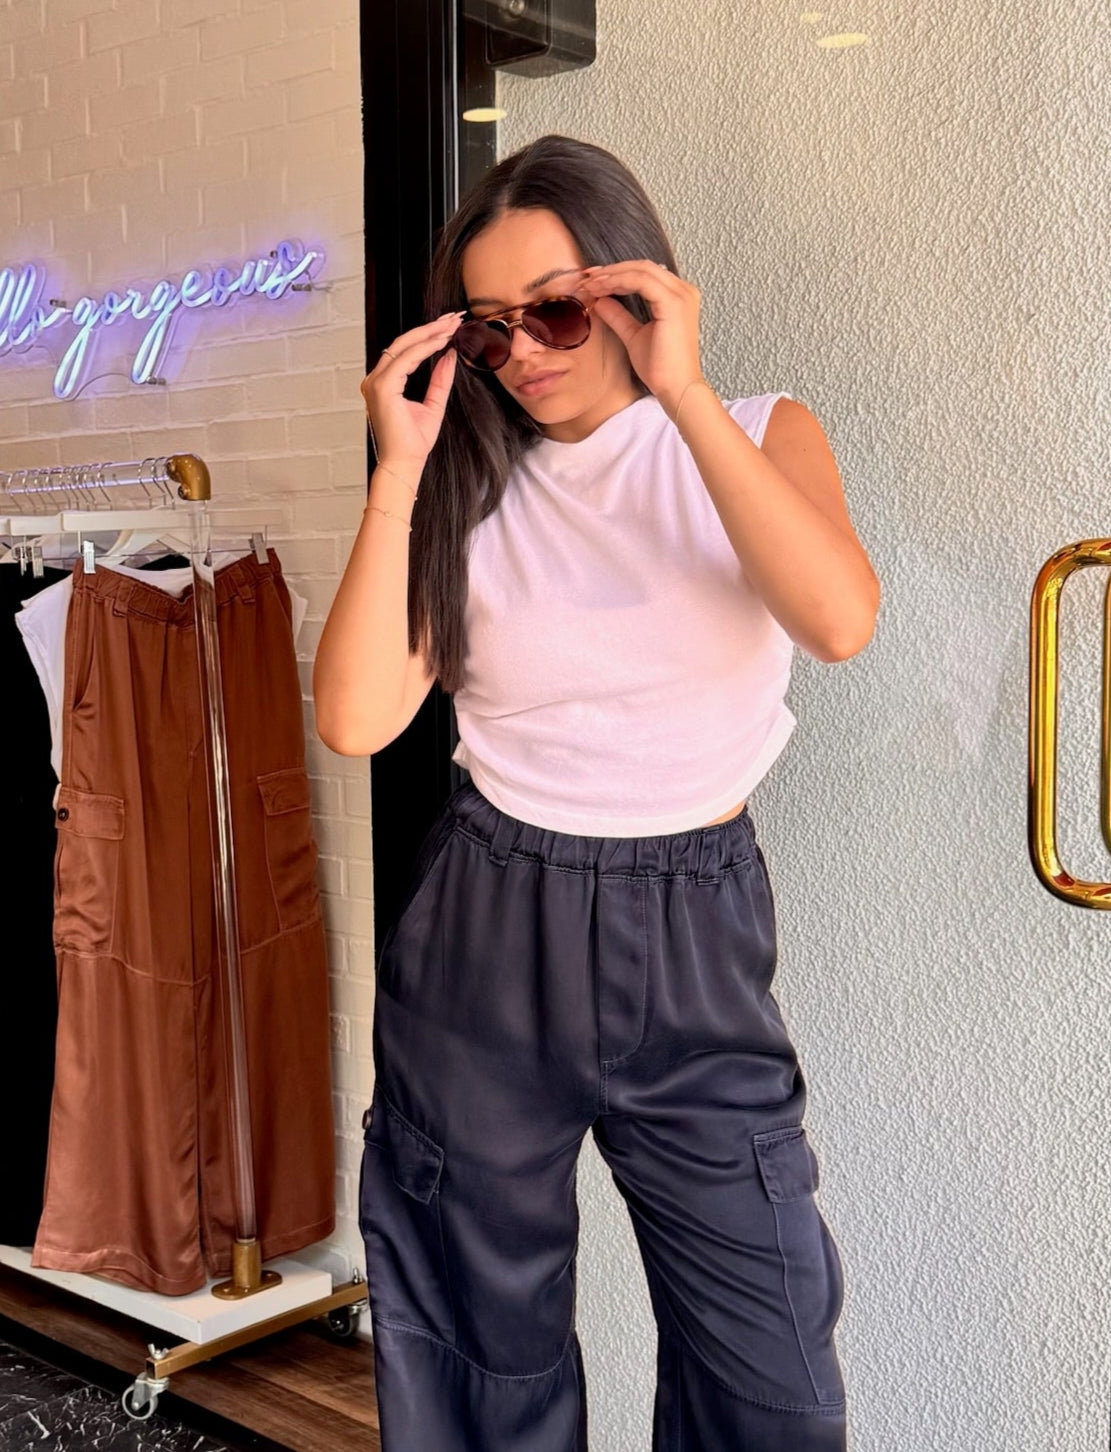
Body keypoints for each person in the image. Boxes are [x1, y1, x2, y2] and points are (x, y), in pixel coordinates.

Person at [314, 133, 879, 1452]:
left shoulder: (758, 432)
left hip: (693, 923)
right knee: (478, 1339)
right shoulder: (461, 484)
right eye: (489, 328)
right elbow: (355, 717)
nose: (524, 351)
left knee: (770, 1366)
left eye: (556, 309)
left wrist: (683, 393)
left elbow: (839, 619)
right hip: (489, 920)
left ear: (633, 289)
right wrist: (398, 469)